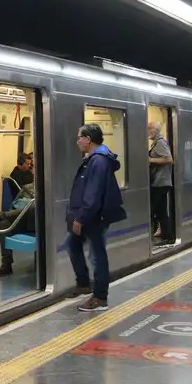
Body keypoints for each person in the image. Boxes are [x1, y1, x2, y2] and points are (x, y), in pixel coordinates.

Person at [64, 123, 125, 312]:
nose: (77, 141)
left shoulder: (98, 161)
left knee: (97, 255)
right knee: (73, 244)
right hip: (89, 214)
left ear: (88, 139)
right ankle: (83, 283)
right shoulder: (94, 159)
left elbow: (93, 193)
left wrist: (81, 218)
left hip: (94, 216)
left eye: (79, 137)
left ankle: (100, 297)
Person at [148, 121, 175, 245]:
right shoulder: (156, 142)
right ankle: (167, 236)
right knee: (161, 210)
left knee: (153, 209)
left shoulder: (160, 142)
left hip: (161, 182)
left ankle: (163, 235)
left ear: (155, 130)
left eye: (150, 128)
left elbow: (169, 159)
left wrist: (150, 159)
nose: (148, 131)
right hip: (160, 182)